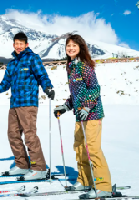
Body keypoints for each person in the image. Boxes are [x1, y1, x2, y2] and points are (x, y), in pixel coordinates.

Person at [0, 32, 55, 180]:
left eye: (21, 43)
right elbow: (5, 84)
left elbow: (42, 76)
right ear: (13, 45)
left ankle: (39, 168)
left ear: (26, 45)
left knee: (30, 135)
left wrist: (48, 88)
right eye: (16, 43)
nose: (18, 46)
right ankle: (22, 165)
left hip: (28, 103)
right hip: (14, 104)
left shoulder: (33, 58)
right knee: (12, 134)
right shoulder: (12, 64)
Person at [54, 34, 112, 198]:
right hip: (80, 115)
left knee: (92, 149)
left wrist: (86, 107)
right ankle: (85, 180)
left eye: (74, 45)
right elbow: (76, 94)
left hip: (92, 114)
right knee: (79, 148)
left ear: (80, 48)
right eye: (68, 45)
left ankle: (103, 186)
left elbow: (95, 89)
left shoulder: (85, 66)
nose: (70, 48)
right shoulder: (71, 67)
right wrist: (65, 106)